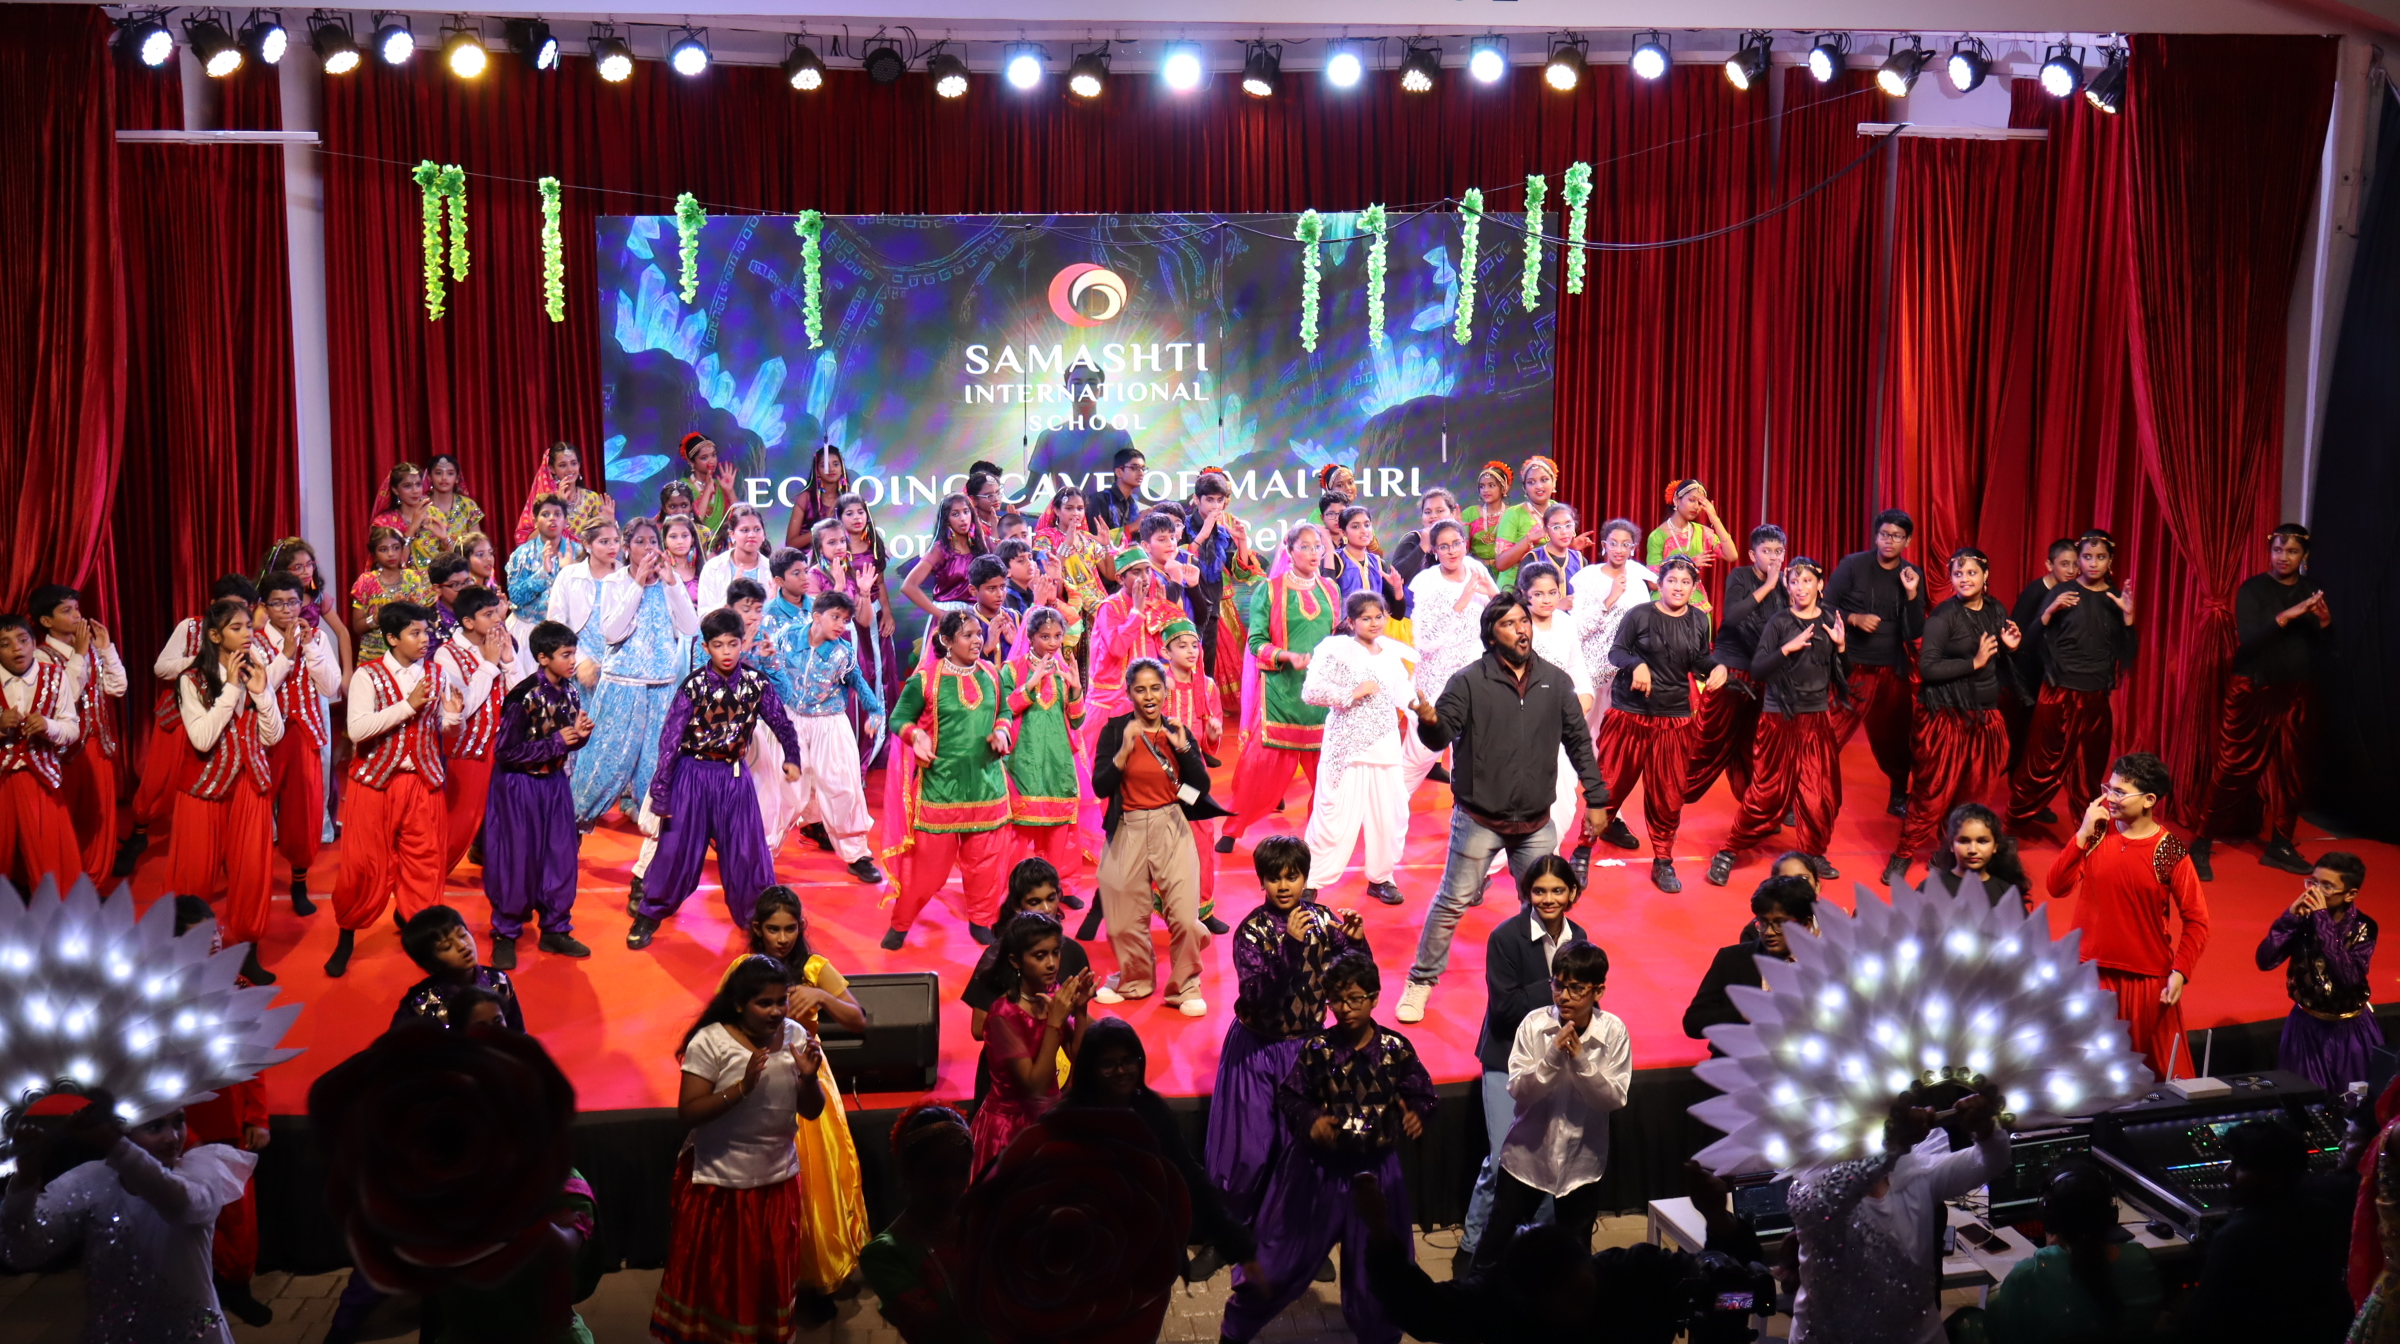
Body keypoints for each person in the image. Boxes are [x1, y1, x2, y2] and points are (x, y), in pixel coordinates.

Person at [1400, 592, 1610, 1023]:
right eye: (1509, 624)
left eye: (1523, 622)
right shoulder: (1468, 681)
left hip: (1535, 821)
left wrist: (1596, 797)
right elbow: (1441, 735)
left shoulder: (1555, 681)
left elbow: (1578, 742)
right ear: (1491, 636)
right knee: (1453, 901)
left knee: (1544, 906)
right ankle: (1420, 981)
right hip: (1479, 818)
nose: (1521, 630)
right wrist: (1429, 721)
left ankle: (1551, 985)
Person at [1219, 951, 1436, 1344]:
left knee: (1379, 1275)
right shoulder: (1317, 1048)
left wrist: (1418, 1113)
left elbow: (1422, 1092)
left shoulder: (1395, 1048)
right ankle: (1234, 1331)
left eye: (1355, 999)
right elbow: (1289, 1096)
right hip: (1316, 1171)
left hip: (1376, 1173)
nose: (1345, 1008)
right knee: (1282, 1262)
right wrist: (1311, 1121)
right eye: (1337, 999)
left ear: (1374, 997)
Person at [648, 954, 829, 1344]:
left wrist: (810, 1079)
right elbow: (689, 1112)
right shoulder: (711, 1041)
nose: (777, 1011)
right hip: (719, 1188)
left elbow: (812, 1111)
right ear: (738, 1004)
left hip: (776, 1184)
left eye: (781, 1001)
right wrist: (742, 1088)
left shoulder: (796, 1036)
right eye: (765, 1003)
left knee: (765, 1286)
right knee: (717, 1286)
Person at [0, 1088, 258, 1344]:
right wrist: (25, 1180)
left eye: (179, 1121)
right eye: (155, 1127)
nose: (172, 1137)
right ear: (124, 1131)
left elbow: (183, 1206)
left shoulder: (201, 1171)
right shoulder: (91, 1180)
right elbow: (24, 1251)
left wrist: (115, 1146)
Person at [1208, 835, 1367, 1228]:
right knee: (1246, 1150)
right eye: (1274, 877)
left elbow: (1359, 981)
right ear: (1261, 881)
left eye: (1291, 876)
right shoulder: (1252, 931)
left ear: (1304, 878)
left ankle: (1296, 1236)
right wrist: (1291, 949)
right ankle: (1230, 1234)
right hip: (1256, 1050)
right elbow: (1257, 997)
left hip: (1306, 1052)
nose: (1283, 886)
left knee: (1303, 1148)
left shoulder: (1324, 922)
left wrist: (1358, 943)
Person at [628, 610, 804, 949]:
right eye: (718, 645)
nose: (726, 652)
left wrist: (792, 757)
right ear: (706, 647)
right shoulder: (693, 686)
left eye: (733, 644)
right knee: (676, 852)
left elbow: (782, 724)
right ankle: (649, 914)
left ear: (742, 644)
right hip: (691, 775)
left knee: (747, 853)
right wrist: (661, 792)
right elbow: (669, 740)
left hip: (734, 777)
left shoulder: (756, 684)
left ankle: (757, 921)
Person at [1787, 1080, 2011, 1344]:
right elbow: (1823, 1205)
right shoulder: (1814, 1185)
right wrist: (1892, 1149)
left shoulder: (1917, 1174)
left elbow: (1990, 1162)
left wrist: (1985, 1131)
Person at [737, 888, 869, 1320]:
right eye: (773, 929)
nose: (782, 938)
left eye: (790, 928)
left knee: (812, 1184)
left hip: (808, 1082)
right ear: (758, 929)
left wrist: (824, 998)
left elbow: (859, 1020)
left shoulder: (815, 968)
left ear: (800, 927)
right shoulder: (744, 970)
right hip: (761, 1080)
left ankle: (810, 1280)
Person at [1059, 1017, 1263, 1283]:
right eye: (1108, 1064)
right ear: (1091, 1068)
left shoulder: (1152, 1110)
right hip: (1093, 1249)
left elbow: (1190, 1175)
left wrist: (1237, 1243)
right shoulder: (1070, 1118)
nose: (1121, 1071)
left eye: (1128, 1060)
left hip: (1146, 1244)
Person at [2044, 752, 2211, 1078]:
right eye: (2109, 788)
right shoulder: (2095, 835)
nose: (2110, 798)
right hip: (2091, 972)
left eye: (2120, 792)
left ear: (2149, 800)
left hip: (2148, 981)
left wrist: (2180, 971)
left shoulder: (2169, 850)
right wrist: (2081, 834)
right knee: (2089, 1076)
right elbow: (2056, 887)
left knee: (2162, 1076)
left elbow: (2197, 920)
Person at [1462, 855, 1593, 1267]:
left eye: (1557, 890)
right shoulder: (1505, 937)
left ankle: (1535, 1252)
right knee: (1502, 1160)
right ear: (1527, 893)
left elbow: (1585, 1002)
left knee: (1549, 1159)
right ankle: (1472, 1248)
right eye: (1539, 890)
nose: (1548, 899)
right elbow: (1505, 1010)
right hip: (1507, 1060)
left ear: (1572, 892)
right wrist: (1558, 986)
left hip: (1555, 1061)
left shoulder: (1579, 936)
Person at [326, 603, 460, 978]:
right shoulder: (368, 676)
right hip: (375, 783)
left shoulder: (437, 673)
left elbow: (444, 728)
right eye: (415, 633)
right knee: (363, 866)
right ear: (392, 638)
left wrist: (454, 718)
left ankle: (421, 933)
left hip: (423, 781)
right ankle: (347, 935)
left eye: (426, 631)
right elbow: (358, 730)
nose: (425, 639)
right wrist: (408, 705)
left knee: (425, 862)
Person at [1478, 939, 1628, 1271]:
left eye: (1576, 989)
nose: (1564, 996)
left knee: (1575, 1258)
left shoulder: (1614, 1032)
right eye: (1558, 985)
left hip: (1581, 1165)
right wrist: (1552, 1059)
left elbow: (1613, 1099)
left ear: (1598, 991)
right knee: (1493, 1247)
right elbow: (1519, 1090)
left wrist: (1580, 1060)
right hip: (1526, 1158)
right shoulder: (1534, 1025)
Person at [2197, 522, 2331, 879]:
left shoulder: (2311, 590)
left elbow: (2324, 649)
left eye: (2292, 551)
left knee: (2292, 772)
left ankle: (2280, 846)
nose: (2283, 557)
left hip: (2297, 692)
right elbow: (2250, 640)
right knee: (2234, 766)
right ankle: (2201, 843)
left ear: (2304, 556)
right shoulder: (2253, 589)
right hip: (2254, 688)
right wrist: (2286, 616)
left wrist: (2325, 623)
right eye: (2277, 549)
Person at [1090, 658, 1223, 1014]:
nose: (1149, 696)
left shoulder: (1178, 730)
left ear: (1166, 691)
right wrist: (1124, 751)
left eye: (1155, 688)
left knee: (1185, 918)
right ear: (1129, 693)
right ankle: (1134, 980)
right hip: (1128, 828)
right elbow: (1100, 786)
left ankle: (1185, 986)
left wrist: (1184, 749)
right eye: (1140, 689)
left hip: (1172, 826)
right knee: (1121, 921)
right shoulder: (1115, 730)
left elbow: (1200, 786)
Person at [1707, 557, 1847, 886]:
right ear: (1787, 585)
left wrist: (1841, 647)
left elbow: (1843, 674)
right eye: (1794, 582)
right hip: (1778, 717)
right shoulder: (1779, 621)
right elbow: (1758, 670)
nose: (1800, 588)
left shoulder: (1830, 619)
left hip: (1815, 719)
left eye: (1807, 581)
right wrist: (1786, 649)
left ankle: (1814, 852)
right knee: (1767, 794)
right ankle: (1728, 851)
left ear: (1820, 585)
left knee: (1821, 794)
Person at [1886, 547, 2021, 886]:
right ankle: (1902, 854)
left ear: (1985, 576)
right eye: (1958, 574)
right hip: (1945, 718)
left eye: (1971, 573)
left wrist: (2010, 648)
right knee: (1931, 795)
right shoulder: (1943, 616)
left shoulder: (1996, 610)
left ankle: (1947, 854)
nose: (1964, 579)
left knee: (1974, 796)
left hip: (1985, 717)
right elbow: (1928, 668)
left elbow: (1998, 661)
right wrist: (1973, 662)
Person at [168, 596, 285, 984]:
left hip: (250, 785)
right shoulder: (192, 680)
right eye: (237, 628)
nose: (247, 633)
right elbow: (202, 739)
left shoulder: (257, 670)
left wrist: (262, 694)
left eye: (249, 626)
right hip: (203, 789)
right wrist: (232, 688)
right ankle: (188, 953)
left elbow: (273, 736)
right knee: (194, 876)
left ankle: (247, 950)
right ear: (215, 636)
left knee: (252, 872)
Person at [882, 610, 1013, 950]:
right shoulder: (925, 680)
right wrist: (915, 736)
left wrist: (1002, 731)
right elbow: (899, 718)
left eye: (978, 633)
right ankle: (901, 923)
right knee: (927, 870)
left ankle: (982, 920)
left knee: (986, 865)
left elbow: (1004, 711)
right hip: (940, 789)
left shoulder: (991, 673)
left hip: (987, 787)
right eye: (968, 635)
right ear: (946, 641)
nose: (978, 640)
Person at [1602, 556, 1726, 892]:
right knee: (1610, 787)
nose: (1678, 588)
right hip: (1631, 713)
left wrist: (1717, 667)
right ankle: (1584, 849)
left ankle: (1663, 860)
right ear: (1660, 584)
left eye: (1685, 582)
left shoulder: (1698, 619)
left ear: (1694, 587)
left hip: (1674, 717)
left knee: (1668, 796)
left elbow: (1700, 660)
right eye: (1672, 581)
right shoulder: (1640, 614)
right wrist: (1636, 664)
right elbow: (1616, 652)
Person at [2175, 1118, 2355, 1344]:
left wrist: (2180, 1312)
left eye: (2242, 1166)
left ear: (2274, 1177)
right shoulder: (2325, 1214)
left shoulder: (2236, 1236)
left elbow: (2202, 1322)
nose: (2227, 1172)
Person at [572, 518, 699, 827]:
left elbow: (690, 627)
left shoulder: (669, 583)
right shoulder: (615, 582)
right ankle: (575, 818)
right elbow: (611, 632)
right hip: (622, 685)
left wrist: (673, 584)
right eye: (639, 542)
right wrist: (638, 584)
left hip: (662, 685)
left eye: (653, 541)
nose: (648, 548)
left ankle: (652, 823)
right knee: (607, 756)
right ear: (626, 548)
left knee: (656, 760)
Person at [2011, 531, 2139, 833]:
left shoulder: (2114, 599)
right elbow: (2028, 642)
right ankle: (2013, 825)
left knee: (2090, 772)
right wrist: (2050, 610)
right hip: (2058, 692)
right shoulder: (2063, 592)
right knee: (2040, 765)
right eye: (2087, 557)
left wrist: (2128, 618)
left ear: (2110, 561)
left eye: (2100, 557)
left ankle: (2090, 832)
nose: (2093, 563)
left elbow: (2128, 654)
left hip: (2095, 697)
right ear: (2079, 559)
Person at [482, 620, 593, 966]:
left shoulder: (570, 692)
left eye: (573, 653)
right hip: (520, 787)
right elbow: (505, 752)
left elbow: (566, 742)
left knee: (560, 856)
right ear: (543, 658)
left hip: (555, 784)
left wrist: (580, 736)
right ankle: (506, 932)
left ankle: (555, 929)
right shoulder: (523, 696)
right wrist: (557, 742)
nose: (573, 661)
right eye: (566, 655)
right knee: (517, 859)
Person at [1224, 524, 1341, 848]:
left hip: (1320, 696)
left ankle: (1322, 833)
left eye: (1318, 546)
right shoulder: (1270, 590)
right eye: (1305, 547)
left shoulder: (1330, 589)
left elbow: (1336, 637)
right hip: (1281, 694)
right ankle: (1233, 829)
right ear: (1289, 551)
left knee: (1327, 773)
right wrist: (1287, 656)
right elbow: (1256, 642)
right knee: (1257, 768)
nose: (1314, 553)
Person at [1300, 592, 1417, 905]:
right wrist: (1353, 692)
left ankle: (1382, 878)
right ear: (1351, 622)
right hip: (1346, 748)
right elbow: (1311, 691)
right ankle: (1312, 878)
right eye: (1366, 618)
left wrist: (1422, 709)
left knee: (1389, 816)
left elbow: (1402, 692)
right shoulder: (1336, 649)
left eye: (1379, 616)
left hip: (1385, 747)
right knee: (1332, 816)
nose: (1374, 623)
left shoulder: (1390, 652)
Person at [767, 587, 886, 884]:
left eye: (845, 620)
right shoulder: (786, 638)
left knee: (842, 786)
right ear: (816, 616)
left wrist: (875, 711)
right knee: (783, 789)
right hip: (792, 721)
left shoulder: (842, 653)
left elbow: (858, 682)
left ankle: (857, 855)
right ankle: (763, 851)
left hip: (829, 723)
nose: (841, 625)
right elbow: (769, 669)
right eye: (835, 617)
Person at [246, 572, 342, 914]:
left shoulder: (317, 637)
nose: (287, 610)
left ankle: (299, 882)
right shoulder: (252, 643)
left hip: (304, 736)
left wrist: (309, 647)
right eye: (278, 603)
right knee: (256, 812)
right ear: (264, 606)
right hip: (262, 737)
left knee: (303, 815)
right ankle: (251, 881)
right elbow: (258, 689)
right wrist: (286, 654)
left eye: (293, 602)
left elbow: (330, 687)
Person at [1986, 1162, 2163, 1344]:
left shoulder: (2029, 1274)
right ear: (2111, 1215)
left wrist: (2050, 1255)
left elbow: (2003, 1333)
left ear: (2051, 1220)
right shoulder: (2140, 1259)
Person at [972, 912, 1095, 1172]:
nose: (1052, 964)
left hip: (1047, 1121)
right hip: (1010, 1132)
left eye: (1055, 953)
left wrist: (1081, 1010)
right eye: (1040, 956)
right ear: (1015, 961)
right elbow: (1035, 1088)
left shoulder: (1049, 995)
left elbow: (1079, 1056)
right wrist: (1054, 1023)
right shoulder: (1003, 1015)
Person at [1828, 508, 1928, 816]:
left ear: (1907, 541)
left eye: (1897, 536)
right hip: (1853, 666)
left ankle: (1898, 794)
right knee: (1828, 734)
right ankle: (1800, 795)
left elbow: (1915, 630)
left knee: (1896, 739)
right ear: (1876, 536)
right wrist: (1854, 618)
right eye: (1885, 534)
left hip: (1892, 669)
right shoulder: (1853, 565)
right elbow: (1824, 605)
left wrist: (1911, 593)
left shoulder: (1912, 574)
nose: (1890, 540)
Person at [2255, 852, 2380, 1094]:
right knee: (2307, 1100)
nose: (2315, 891)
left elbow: (2348, 976)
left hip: (2350, 1030)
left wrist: (2323, 922)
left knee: (2352, 1100)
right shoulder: (2303, 920)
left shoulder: (2364, 926)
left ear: (2350, 894)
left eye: (2327, 886)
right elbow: (2265, 960)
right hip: (2306, 1027)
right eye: (2313, 882)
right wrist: (2288, 920)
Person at [28, 584, 125, 889]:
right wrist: (80, 655)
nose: (77, 616)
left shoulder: (91, 649)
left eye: (77, 609)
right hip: (63, 755)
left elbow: (118, 687)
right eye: (67, 611)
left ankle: (92, 886)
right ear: (47, 621)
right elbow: (66, 697)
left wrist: (106, 648)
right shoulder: (40, 656)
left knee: (99, 820)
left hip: (98, 746)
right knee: (68, 822)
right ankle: (68, 888)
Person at [1683, 525, 1785, 807]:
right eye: (1766, 551)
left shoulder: (1786, 584)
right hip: (1732, 672)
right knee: (1709, 742)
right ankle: (1672, 791)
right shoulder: (1740, 576)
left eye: (1779, 551)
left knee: (1756, 745)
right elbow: (1732, 615)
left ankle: (1757, 803)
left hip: (1764, 673)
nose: (1773, 557)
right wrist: (1768, 586)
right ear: (1753, 554)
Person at [859, 1106, 978, 1343]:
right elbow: (935, 1333)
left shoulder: (980, 1222)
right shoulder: (885, 1255)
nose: (951, 1185)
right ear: (907, 1172)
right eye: (936, 1172)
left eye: (961, 1170)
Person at [1397, 518, 1496, 799]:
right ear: (1434, 550)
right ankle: (1388, 812)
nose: (1452, 551)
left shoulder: (1476, 569)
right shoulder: (1426, 582)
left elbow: (1500, 616)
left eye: (1456, 543)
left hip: (1475, 677)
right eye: (1444, 546)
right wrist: (1461, 602)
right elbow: (1425, 641)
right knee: (1418, 756)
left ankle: (1466, 815)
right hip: (1436, 681)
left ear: (1465, 543)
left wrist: (1493, 594)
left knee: (1472, 757)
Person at [430, 586, 513, 876]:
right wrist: (489, 664)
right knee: (462, 818)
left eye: (496, 612)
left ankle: (500, 870)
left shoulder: (500, 642)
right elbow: (462, 707)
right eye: (488, 614)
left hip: (504, 744)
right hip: (469, 748)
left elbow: (520, 693)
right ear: (467, 622)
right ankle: (429, 875)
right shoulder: (446, 655)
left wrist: (509, 660)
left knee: (505, 813)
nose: (497, 619)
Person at [999, 605, 1083, 888]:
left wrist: (1076, 689)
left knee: (1059, 829)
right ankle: (1016, 889)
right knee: (1021, 830)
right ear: (1031, 637)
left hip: (1058, 759)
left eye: (1058, 636)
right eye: (1045, 636)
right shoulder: (1012, 669)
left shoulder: (1064, 671)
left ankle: (1056, 886)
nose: (1053, 642)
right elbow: (1004, 710)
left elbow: (1077, 720)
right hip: (1024, 758)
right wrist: (1031, 683)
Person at [964, 862, 1094, 1043]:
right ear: (1017, 906)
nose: (1047, 909)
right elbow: (979, 1029)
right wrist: (1044, 1020)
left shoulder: (1074, 952)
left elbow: (1076, 1017)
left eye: (1051, 898)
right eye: (1035, 902)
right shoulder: (996, 956)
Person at [0, 614, 84, 891]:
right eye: (5, 644)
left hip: (40, 780)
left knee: (51, 859)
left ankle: (54, 911)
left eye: (23, 640)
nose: (17, 648)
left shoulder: (56, 676)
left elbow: (71, 729)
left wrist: (48, 726)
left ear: (33, 643)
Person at [1683, 874, 1819, 1043]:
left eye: (1780, 923)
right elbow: (1694, 1022)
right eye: (1763, 922)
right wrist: (1742, 1014)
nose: (1769, 932)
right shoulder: (1732, 959)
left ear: (1805, 924)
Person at [1521, 561, 1597, 854]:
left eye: (1552, 592)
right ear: (1525, 594)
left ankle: (1546, 857)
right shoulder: (1514, 625)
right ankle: (1491, 864)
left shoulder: (1565, 622)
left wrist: (1585, 695)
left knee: (1564, 799)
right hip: (1522, 724)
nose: (1546, 600)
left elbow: (1576, 666)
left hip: (1561, 723)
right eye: (1538, 594)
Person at [391, 904, 528, 1030]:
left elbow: (516, 1032)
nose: (462, 946)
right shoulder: (419, 1004)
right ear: (430, 962)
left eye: (462, 935)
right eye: (447, 947)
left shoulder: (498, 980)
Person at [1645, 480, 1740, 611]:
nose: (1696, 507)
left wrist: (1715, 519)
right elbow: (1653, 583)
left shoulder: (1703, 533)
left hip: (1696, 605)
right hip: (1665, 605)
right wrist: (1690, 564)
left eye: (1700, 503)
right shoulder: (1658, 536)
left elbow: (1732, 555)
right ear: (1677, 500)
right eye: (1691, 500)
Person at [1920, 802, 2030, 909]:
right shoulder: (1931, 888)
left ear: (1995, 846)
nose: (1972, 850)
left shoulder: (2006, 892)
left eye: (1982, 841)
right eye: (1964, 841)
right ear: (1952, 845)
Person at [351, 525, 435, 665]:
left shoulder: (413, 578)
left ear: (402, 549)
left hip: (408, 655)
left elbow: (424, 622)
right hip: (374, 655)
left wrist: (412, 608)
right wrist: (379, 616)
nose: (391, 554)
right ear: (374, 553)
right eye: (383, 549)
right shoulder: (366, 581)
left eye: (396, 548)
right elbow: (357, 626)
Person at [512, 441, 617, 548]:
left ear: (579, 465)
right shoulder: (545, 501)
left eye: (573, 463)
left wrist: (610, 523)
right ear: (552, 469)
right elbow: (528, 542)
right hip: (552, 556)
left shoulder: (591, 499)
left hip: (584, 557)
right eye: (563, 465)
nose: (570, 469)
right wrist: (558, 507)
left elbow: (604, 542)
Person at [504, 494, 582, 638]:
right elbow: (516, 597)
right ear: (535, 521)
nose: (552, 518)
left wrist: (568, 573)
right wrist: (543, 574)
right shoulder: (522, 554)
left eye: (557, 514)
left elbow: (587, 597)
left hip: (570, 630)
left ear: (565, 521)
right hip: (527, 630)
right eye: (545, 514)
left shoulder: (579, 553)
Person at [900, 492, 986, 615]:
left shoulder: (980, 547)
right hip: (949, 615)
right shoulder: (940, 549)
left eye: (966, 512)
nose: (963, 518)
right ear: (946, 520)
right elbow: (908, 586)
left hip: (977, 615)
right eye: (955, 514)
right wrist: (942, 615)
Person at [1461, 461, 1536, 589]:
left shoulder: (1512, 514)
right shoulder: (1469, 513)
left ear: (1504, 488)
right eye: (1482, 486)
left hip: (1506, 572)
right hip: (1476, 572)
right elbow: (1463, 548)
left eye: (1491, 485)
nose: (1486, 490)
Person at [371, 461, 456, 569]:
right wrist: (412, 527)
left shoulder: (435, 515)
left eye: (418, 484)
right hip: (402, 579)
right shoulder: (385, 522)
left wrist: (445, 540)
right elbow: (395, 564)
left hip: (435, 577)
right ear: (395, 490)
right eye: (407, 486)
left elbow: (453, 561)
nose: (415, 491)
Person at [697, 503, 773, 612]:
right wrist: (731, 595)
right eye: (745, 530)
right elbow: (704, 616)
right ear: (732, 534)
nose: (752, 535)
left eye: (757, 529)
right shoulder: (713, 568)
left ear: (763, 534)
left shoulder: (772, 570)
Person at [783, 443, 850, 552]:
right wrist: (823, 527)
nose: (831, 469)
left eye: (836, 464)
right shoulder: (806, 498)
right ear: (817, 471)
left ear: (842, 469)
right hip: (808, 560)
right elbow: (791, 543)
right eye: (824, 466)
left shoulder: (848, 499)